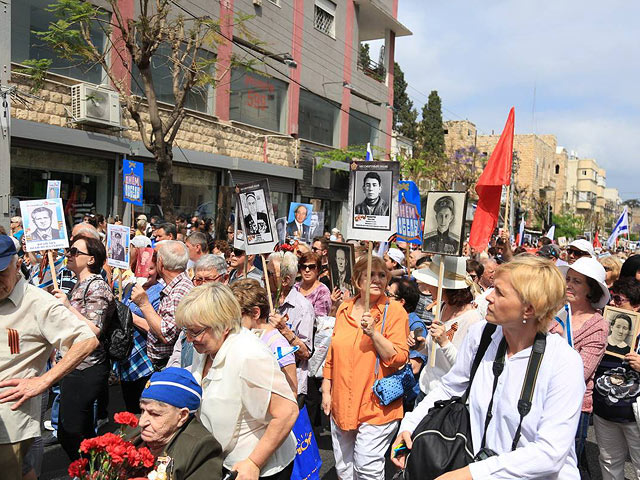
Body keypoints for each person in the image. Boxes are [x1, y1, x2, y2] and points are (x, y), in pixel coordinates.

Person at [393, 255, 585, 479]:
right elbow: (449, 388)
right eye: (492, 288)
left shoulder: (564, 363)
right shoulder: (482, 334)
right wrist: (409, 426)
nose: (488, 298)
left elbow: (550, 453)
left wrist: (472, 473)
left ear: (529, 309)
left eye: (500, 293)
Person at [176, 283, 299, 480]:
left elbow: (287, 412)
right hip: (224, 461)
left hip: (257, 469)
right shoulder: (208, 346)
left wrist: (253, 463)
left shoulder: (249, 355)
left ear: (224, 326)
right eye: (186, 331)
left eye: (196, 331)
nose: (189, 339)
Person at [0, 235, 98, 480]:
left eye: (0, 272)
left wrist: (44, 381)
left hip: (9, 425)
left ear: (16, 263)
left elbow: (87, 339)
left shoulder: (38, 303)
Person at [322, 255, 409, 480]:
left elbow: (399, 357)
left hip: (376, 403)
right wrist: (326, 388)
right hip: (341, 399)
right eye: (370, 274)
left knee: (366, 466)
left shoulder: (395, 311)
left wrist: (374, 333)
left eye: (382, 275)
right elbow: (333, 351)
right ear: (357, 280)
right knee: (344, 468)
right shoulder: (344, 308)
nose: (377, 280)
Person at [50, 234, 115, 460]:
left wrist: (67, 306)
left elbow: (94, 331)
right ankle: (91, 471)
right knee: (81, 430)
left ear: (91, 259)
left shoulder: (97, 287)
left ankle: (91, 469)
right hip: (72, 364)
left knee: (71, 431)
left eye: (75, 252)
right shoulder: (80, 284)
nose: (69, 255)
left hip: (87, 366)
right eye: (69, 250)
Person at [550, 256, 609, 461]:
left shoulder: (597, 325)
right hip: (542, 397)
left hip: (574, 406)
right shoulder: (555, 312)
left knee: (564, 465)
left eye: (577, 281)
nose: (569, 285)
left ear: (591, 289)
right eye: (568, 279)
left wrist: (557, 343)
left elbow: (581, 372)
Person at [412, 256, 482, 399]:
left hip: (446, 399)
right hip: (425, 389)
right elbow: (434, 354)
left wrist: (444, 342)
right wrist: (420, 345)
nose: (427, 287)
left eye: (431, 283)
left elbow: (464, 368)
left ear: (444, 287)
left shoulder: (472, 319)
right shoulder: (442, 307)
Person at [136, 368, 223, 480]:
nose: (142, 422)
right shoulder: (130, 428)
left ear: (182, 416)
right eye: (143, 410)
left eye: (155, 414)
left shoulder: (201, 449)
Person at [592, 276, 640, 479]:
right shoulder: (602, 327)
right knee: (610, 462)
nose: (612, 303)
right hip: (605, 412)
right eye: (612, 298)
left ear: (636, 306)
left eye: (619, 299)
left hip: (634, 416)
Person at [131, 240, 193, 371]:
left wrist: (144, 304)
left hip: (170, 364)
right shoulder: (176, 286)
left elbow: (166, 335)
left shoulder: (179, 291)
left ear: (160, 263)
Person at [231, 279, 298, 394]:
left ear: (255, 313)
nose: (231, 322)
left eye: (236, 316)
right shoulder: (242, 337)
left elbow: (291, 392)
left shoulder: (277, 343)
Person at [266, 251, 315, 406]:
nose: (263, 277)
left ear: (285, 280)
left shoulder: (303, 307)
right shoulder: (265, 301)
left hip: (290, 386)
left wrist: (284, 330)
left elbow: (305, 352)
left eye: (269, 274)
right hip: (267, 381)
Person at [117, 252, 162, 414]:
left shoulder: (159, 292)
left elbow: (156, 328)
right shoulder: (130, 288)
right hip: (126, 359)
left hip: (146, 360)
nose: (147, 272)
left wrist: (128, 315)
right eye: (142, 267)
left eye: (151, 268)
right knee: (130, 410)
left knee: (145, 409)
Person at [295, 251, 332, 317]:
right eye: (303, 266)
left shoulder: (322, 291)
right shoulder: (295, 288)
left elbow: (319, 319)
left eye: (311, 267)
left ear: (318, 269)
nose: (307, 270)